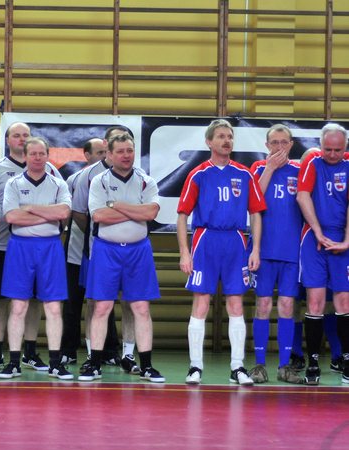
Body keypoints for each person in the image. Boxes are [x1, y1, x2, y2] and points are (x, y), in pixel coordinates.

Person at [177, 119, 266, 386]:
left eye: (230, 136)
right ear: (209, 142)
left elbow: (256, 214)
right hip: (205, 240)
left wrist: (255, 248)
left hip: (235, 241)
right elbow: (182, 215)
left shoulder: (245, 174)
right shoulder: (198, 174)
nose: (226, 140)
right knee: (201, 302)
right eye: (220, 136)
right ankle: (195, 366)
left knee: (236, 303)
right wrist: (184, 252)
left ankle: (237, 367)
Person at [79, 133, 165, 383]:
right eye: (120, 151)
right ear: (109, 154)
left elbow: (151, 213)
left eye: (130, 150)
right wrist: (135, 211)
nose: (126, 155)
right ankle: (95, 364)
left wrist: (116, 205)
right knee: (102, 307)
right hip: (106, 250)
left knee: (141, 307)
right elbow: (99, 216)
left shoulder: (146, 181)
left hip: (138, 251)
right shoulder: (99, 181)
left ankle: (146, 365)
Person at [0, 122, 63, 372]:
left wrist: (30, 212)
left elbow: (62, 212)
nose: (21, 139)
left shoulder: (52, 173)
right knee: (0, 300)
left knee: (35, 300)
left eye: (25, 135)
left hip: (40, 246)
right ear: (8, 140)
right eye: (16, 135)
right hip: (3, 242)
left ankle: (30, 351)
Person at [0, 136, 73, 380]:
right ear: (25, 156)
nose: (38, 158)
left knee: (53, 306)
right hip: (20, 247)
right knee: (18, 306)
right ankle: (14, 362)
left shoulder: (58, 184)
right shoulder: (13, 184)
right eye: (33, 154)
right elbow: (11, 217)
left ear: (48, 156)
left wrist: (30, 208)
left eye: (42, 154)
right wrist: (48, 214)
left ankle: (55, 363)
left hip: (50, 247)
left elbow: (64, 212)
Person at [71, 125, 134, 373]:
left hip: (132, 249)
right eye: (117, 143)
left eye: (127, 146)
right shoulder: (89, 176)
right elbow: (82, 213)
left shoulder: (141, 178)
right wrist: (104, 226)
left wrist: (116, 212)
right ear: (107, 147)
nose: (123, 151)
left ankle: (129, 355)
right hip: (97, 248)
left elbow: (149, 212)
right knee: (95, 302)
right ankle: (92, 355)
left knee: (131, 302)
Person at [247, 124, 304, 384]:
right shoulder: (258, 169)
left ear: (291, 145)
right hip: (264, 250)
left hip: (292, 252)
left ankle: (284, 366)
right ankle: (259, 365)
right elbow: (253, 201)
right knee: (263, 305)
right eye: (274, 142)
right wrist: (269, 168)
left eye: (283, 142)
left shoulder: (300, 172)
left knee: (288, 306)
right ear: (267, 145)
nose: (279, 147)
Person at [296, 123, 349, 385]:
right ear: (321, 145)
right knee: (315, 302)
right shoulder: (313, 163)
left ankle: (346, 360)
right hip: (313, 239)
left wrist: (347, 241)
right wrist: (317, 231)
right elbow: (302, 196)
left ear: (345, 147)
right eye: (328, 149)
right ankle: (313, 363)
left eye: (337, 150)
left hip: (342, 238)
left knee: (344, 302)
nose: (332, 154)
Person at [61, 138, 108, 365]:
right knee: (72, 302)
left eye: (104, 152)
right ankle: (68, 350)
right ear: (87, 155)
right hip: (77, 248)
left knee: (102, 302)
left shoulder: (117, 176)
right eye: (98, 152)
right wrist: (92, 231)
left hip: (103, 251)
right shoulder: (76, 179)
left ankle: (107, 351)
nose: (103, 156)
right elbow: (75, 213)